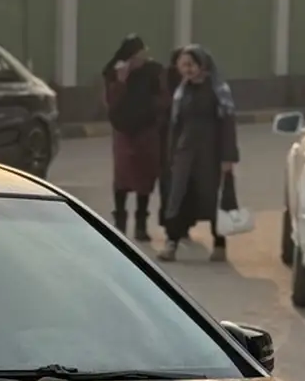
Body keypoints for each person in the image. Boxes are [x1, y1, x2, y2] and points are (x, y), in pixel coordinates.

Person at [160, 46, 239, 263]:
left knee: (213, 198)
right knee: (177, 196)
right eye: (183, 65)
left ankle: (220, 244)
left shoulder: (218, 89)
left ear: (201, 65)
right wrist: (172, 155)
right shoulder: (181, 91)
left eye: (190, 64)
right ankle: (171, 242)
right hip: (185, 154)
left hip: (210, 154)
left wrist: (228, 157)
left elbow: (228, 124)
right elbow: (175, 125)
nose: (187, 69)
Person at [102, 35, 168, 241]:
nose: (141, 59)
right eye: (137, 56)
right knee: (122, 178)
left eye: (143, 54)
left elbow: (164, 98)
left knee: (145, 178)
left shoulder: (154, 71)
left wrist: (150, 109)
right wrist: (121, 81)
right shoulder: (113, 73)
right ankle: (119, 222)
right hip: (124, 132)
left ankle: (141, 224)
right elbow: (110, 103)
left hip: (147, 132)